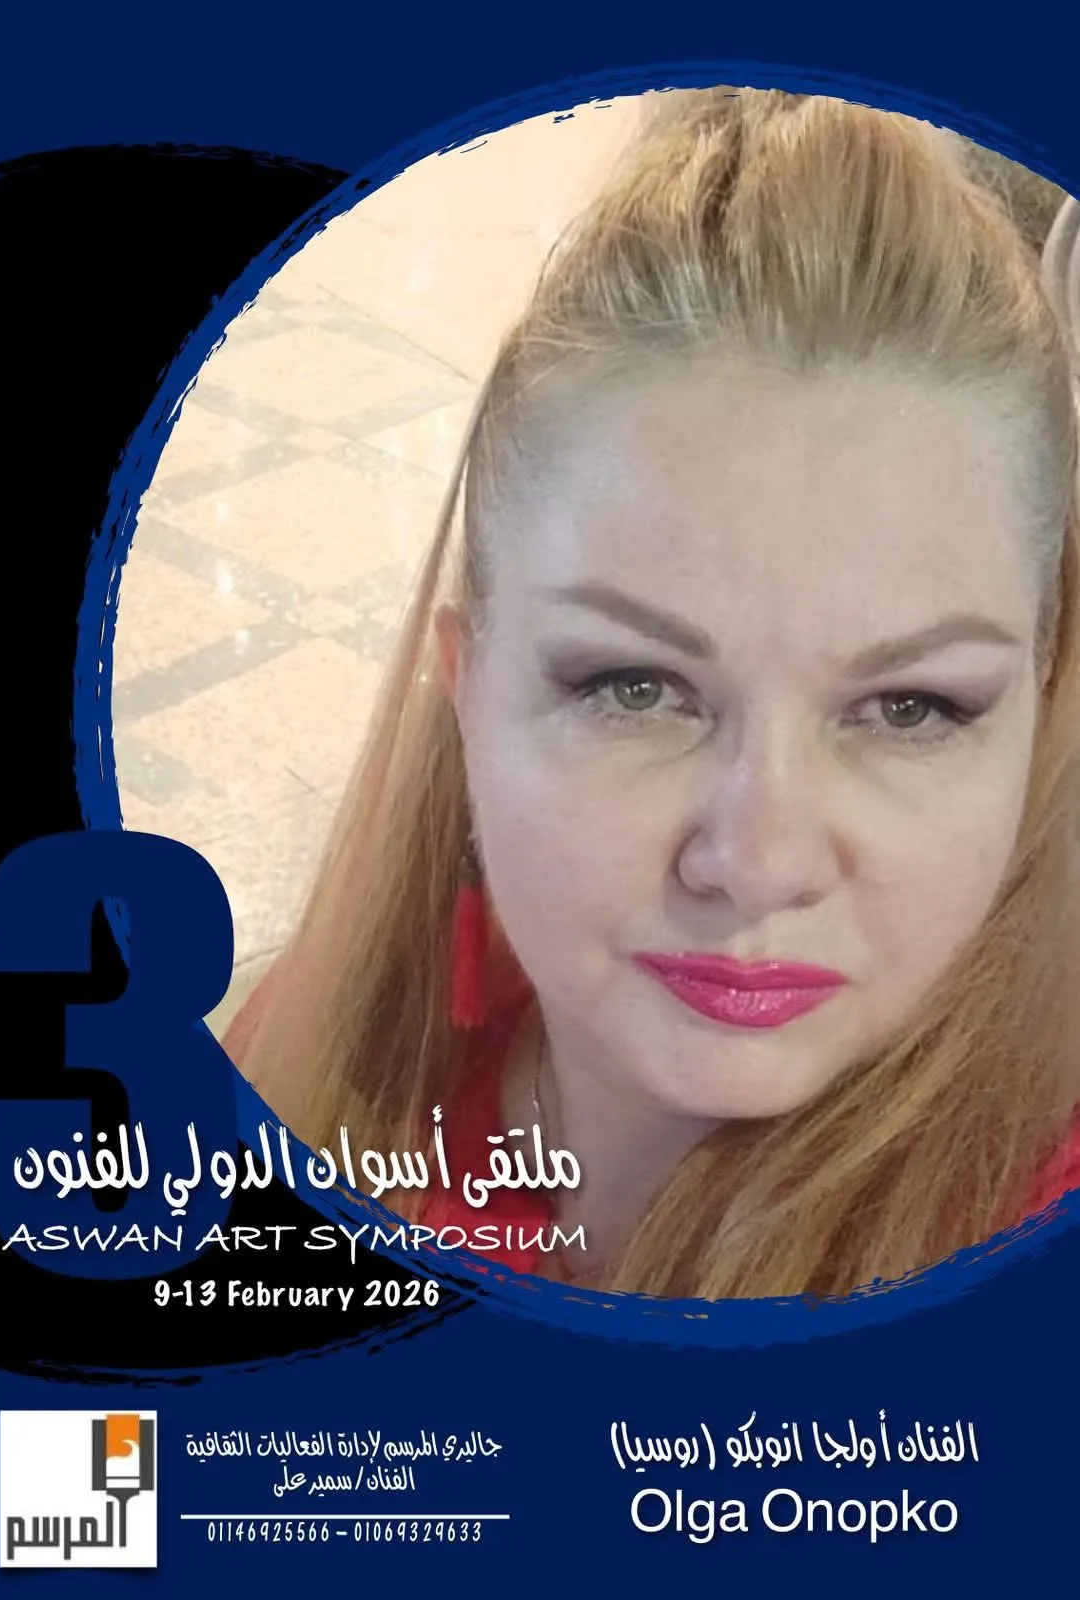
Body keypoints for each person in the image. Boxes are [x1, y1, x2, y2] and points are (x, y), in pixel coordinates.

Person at [224, 88, 1080, 1300]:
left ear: (1036, 715)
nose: (760, 860)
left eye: (910, 708)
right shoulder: (308, 1074)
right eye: (637, 688)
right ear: (467, 689)